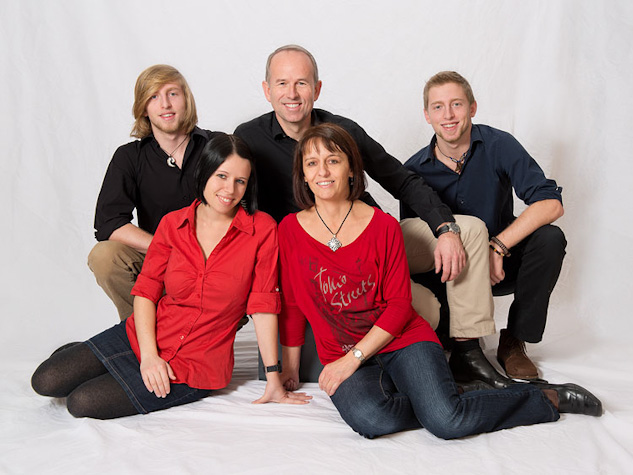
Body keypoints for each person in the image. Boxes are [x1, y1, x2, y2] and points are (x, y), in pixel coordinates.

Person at [278, 123, 600, 440]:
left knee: (448, 421)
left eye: (333, 160)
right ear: (302, 174)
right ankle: (452, 394)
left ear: (351, 169)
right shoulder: (289, 231)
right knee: (373, 419)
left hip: (401, 340)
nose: (323, 171)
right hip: (341, 350)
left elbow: (399, 305)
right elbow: (292, 301)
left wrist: (353, 359)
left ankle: (544, 400)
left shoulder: (382, 226)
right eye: (312, 163)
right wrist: (290, 369)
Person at [235, 45, 507, 388]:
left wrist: (445, 228)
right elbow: (237, 206)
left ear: (317, 89)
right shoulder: (249, 138)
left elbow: (400, 180)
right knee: (426, 307)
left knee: (469, 230)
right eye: (282, 83)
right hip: (315, 261)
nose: (292, 93)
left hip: (372, 243)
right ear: (267, 90)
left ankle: (468, 352)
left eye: (301, 83)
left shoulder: (342, 130)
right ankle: (418, 351)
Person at [31, 134, 311, 419]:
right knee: (45, 381)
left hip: (194, 365)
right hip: (147, 337)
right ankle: (93, 356)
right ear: (204, 172)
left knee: (81, 403)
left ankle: (95, 361)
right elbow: (146, 292)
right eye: (222, 176)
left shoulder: (262, 229)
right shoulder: (173, 223)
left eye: (241, 181)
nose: (230, 189)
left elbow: (263, 307)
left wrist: (274, 377)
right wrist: (149, 357)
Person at [403, 71, 567, 380]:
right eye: (438, 107)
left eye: (456, 104)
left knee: (549, 239)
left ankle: (514, 341)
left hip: (498, 265)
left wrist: (498, 246)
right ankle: (459, 339)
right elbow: (417, 247)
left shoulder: (499, 145)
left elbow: (551, 204)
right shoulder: (413, 170)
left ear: (473, 108)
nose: (448, 115)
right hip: (450, 273)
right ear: (427, 115)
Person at [89, 64, 220, 321]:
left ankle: (197, 326)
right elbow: (108, 223)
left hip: (215, 263)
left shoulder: (218, 146)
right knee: (104, 256)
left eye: (173, 94)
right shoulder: (129, 157)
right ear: (143, 108)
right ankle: (140, 328)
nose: (165, 104)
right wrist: (166, 248)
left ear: (186, 99)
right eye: (153, 96)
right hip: (161, 262)